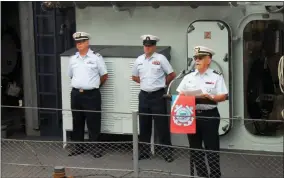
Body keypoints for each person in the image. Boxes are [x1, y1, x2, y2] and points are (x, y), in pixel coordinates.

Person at [176, 46, 228, 178]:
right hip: (191, 115)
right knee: (195, 149)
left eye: (200, 58)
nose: (197, 60)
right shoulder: (188, 77)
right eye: (195, 58)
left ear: (208, 60)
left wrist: (212, 97)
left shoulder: (216, 76)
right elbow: (180, 94)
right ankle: (202, 175)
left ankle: (215, 175)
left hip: (209, 116)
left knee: (212, 149)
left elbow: (223, 96)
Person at [132, 34, 176, 162]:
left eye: (150, 46)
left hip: (158, 95)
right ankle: (144, 152)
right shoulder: (139, 59)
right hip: (144, 95)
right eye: (145, 46)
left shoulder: (161, 58)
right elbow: (134, 76)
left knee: (161, 125)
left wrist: (162, 83)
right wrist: (145, 82)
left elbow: (172, 74)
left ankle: (167, 152)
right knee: (144, 124)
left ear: (154, 46)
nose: (147, 48)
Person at [67, 32, 108, 158]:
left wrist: (93, 86)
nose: (78, 44)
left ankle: (95, 148)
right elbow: (70, 75)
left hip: (91, 95)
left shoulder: (96, 57)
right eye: (77, 42)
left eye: (81, 42)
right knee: (77, 121)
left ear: (87, 43)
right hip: (76, 94)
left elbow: (104, 75)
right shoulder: (73, 59)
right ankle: (78, 147)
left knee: (93, 122)